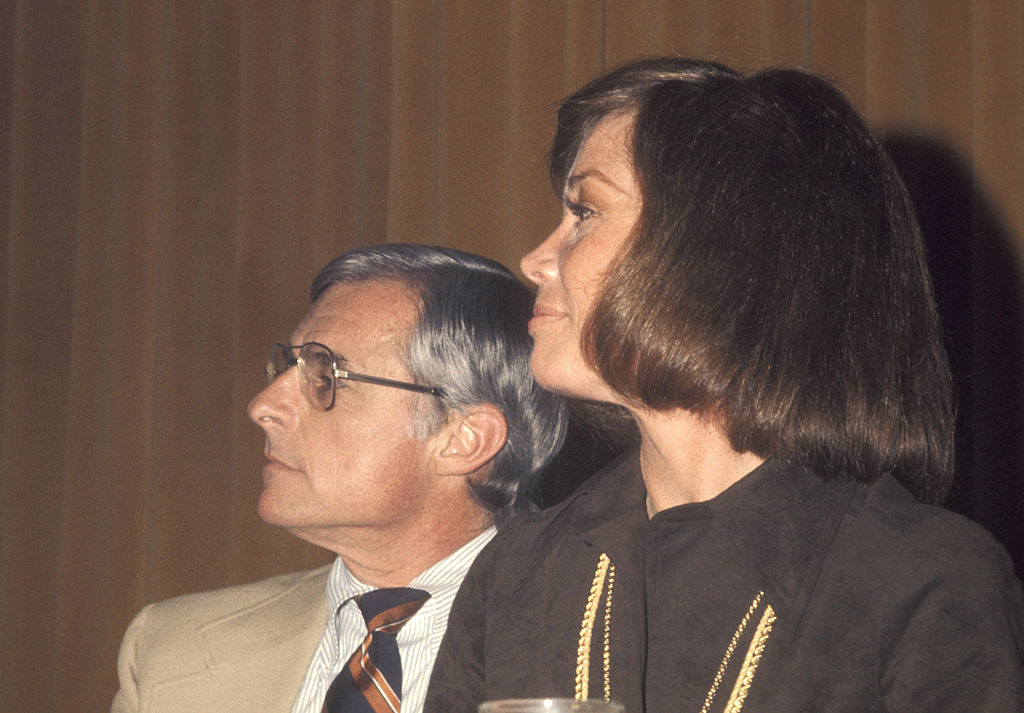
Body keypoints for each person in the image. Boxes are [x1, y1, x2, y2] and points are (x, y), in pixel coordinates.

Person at [424, 58, 1024, 713]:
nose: (537, 258)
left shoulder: (920, 579)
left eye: (586, 212)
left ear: (716, 249)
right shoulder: (518, 572)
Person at [111, 243, 568, 713]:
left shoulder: (599, 647)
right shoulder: (170, 651)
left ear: (463, 439)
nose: (262, 406)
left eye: (325, 374)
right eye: (288, 366)